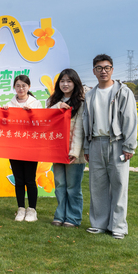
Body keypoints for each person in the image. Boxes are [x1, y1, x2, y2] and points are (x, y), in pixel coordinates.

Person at [83, 54, 138, 239]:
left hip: (117, 143)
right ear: (94, 71)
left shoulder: (123, 92)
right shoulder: (90, 95)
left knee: (119, 185)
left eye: (107, 68)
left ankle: (118, 227)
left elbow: (130, 119)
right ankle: (98, 224)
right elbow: (86, 122)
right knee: (97, 186)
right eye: (99, 68)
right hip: (96, 143)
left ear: (112, 70)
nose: (103, 71)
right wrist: (86, 147)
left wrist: (129, 146)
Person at [46, 69, 86, 227]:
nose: (65, 84)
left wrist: (74, 152)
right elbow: (46, 119)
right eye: (62, 81)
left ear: (75, 83)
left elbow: (79, 129)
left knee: (73, 187)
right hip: (57, 150)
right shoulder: (53, 101)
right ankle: (60, 215)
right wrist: (57, 106)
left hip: (73, 153)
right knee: (60, 185)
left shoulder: (81, 103)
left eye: (69, 81)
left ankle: (73, 218)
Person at [3, 75, 43, 222]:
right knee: (19, 179)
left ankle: (32, 210)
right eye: (18, 86)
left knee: (30, 180)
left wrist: (32, 114)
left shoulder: (36, 103)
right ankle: (20, 208)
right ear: (14, 87)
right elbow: (3, 125)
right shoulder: (9, 104)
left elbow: (41, 124)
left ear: (29, 87)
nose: (21, 88)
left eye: (24, 86)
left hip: (31, 147)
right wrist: (4, 113)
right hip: (14, 147)